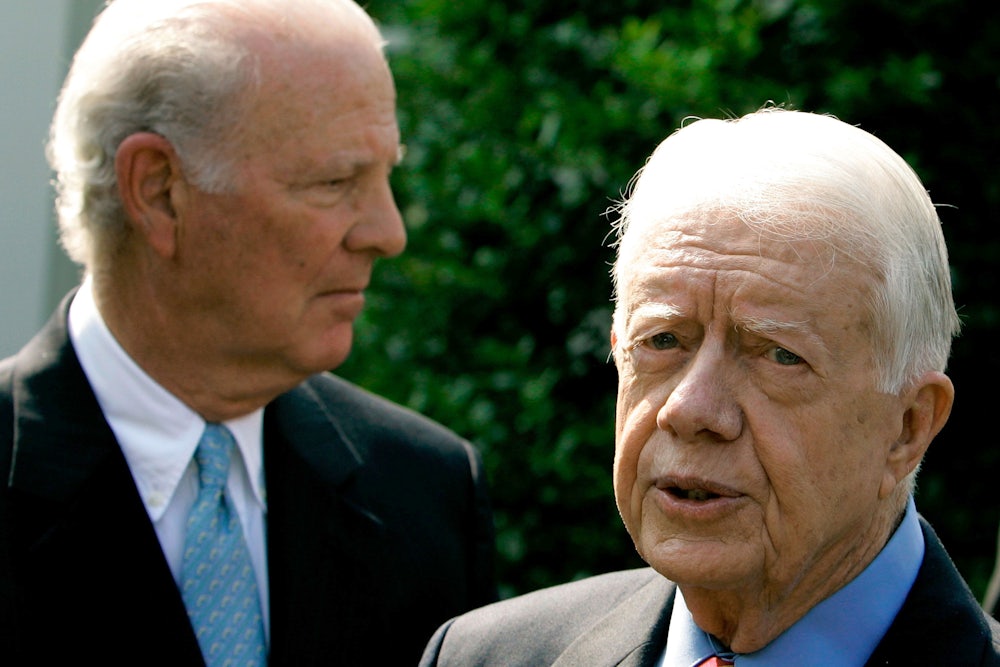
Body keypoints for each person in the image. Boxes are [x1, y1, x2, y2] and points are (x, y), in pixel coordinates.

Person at [0, 1, 497, 665]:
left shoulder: (424, 491)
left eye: (387, 175)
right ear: (158, 190)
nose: (388, 232)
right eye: (334, 181)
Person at [419, 107, 1000, 666]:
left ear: (907, 427)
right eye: (664, 340)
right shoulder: (483, 656)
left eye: (779, 356)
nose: (690, 409)